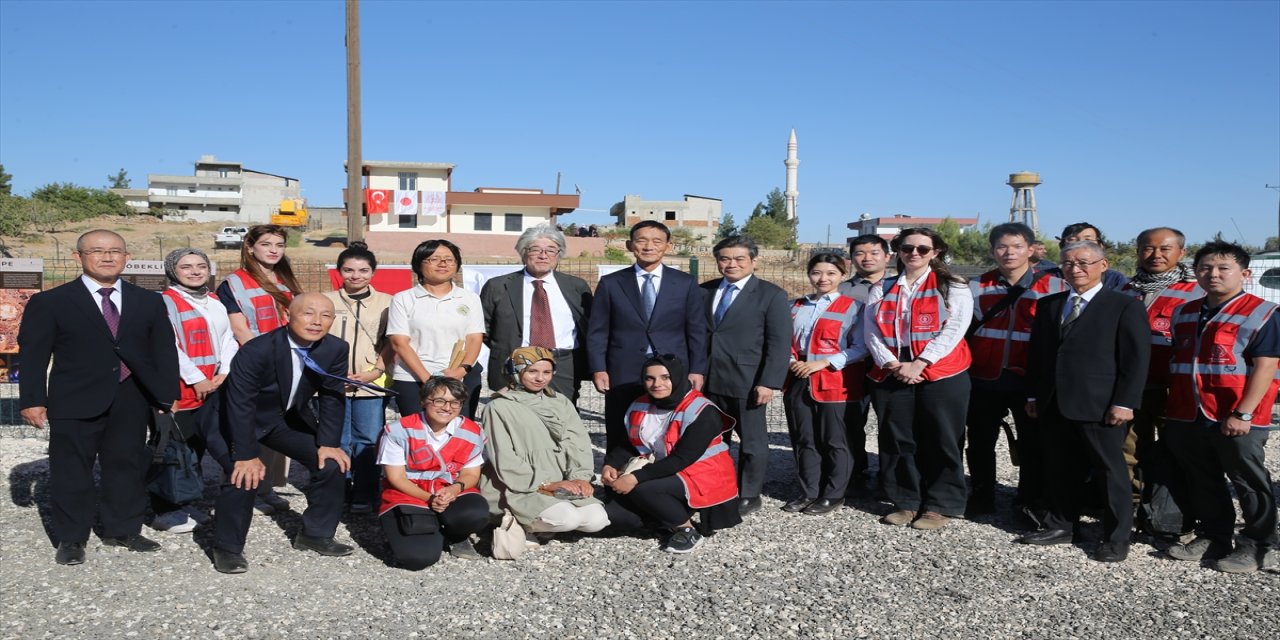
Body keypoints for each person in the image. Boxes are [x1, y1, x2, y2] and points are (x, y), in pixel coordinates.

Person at [18, 230, 179, 565]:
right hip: (74, 398)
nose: (107, 257)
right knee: (71, 470)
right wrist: (33, 399)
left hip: (130, 396)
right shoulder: (51, 302)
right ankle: (72, 538)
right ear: (78, 257)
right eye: (97, 251)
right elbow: (33, 354)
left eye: (115, 251)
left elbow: (162, 351)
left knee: (126, 466)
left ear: (126, 257)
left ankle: (124, 529)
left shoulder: (148, 300)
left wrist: (167, 394)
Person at [200, 293, 353, 574]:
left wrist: (329, 443)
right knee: (243, 473)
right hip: (232, 419)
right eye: (308, 313)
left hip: (281, 417)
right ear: (288, 316)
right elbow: (240, 403)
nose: (317, 321)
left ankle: (315, 535)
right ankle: (228, 548)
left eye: (326, 315)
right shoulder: (258, 349)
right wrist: (246, 454)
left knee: (331, 463)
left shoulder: (335, 349)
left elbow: (332, 397)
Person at [1020, 241, 1149, 563]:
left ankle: (1116, 536)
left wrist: (1125, 402)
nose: (1075, 269)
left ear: (1103, 266)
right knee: (1059, 467)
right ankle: (1061, 524)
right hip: (1055, 402)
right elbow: (1038, 356)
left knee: (1110, 471)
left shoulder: (1124, 305)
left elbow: (1135, 360)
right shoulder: (1051, 305)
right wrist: (1034, 394)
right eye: (1068, 264)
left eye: (1083, 263)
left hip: (1101, 405)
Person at [1163, 242, 1279, 573]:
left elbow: (1266, 367)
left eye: (1223, 268)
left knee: (1248, 480)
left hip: (1237, 415)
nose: (1213, 274)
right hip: (1189, 412)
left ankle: (1258, 544)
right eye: (1205, 268)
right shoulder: (1184, 312)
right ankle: (1214, 536)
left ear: (1243, 274)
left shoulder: (1262, 313)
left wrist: (1243, 413)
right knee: (1202, 477)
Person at [866, 228, 973, 530]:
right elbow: (870, 329)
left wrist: (921, 363)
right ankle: (906, 500)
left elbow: (954, 329)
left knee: (942, 437)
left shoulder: (953, 286)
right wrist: (890, 362)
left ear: (935, 252)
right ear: (898, 251)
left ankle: (940, 504)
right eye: (907, 247)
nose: (914, 253)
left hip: (942, 370)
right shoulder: (882, 287)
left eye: (923, 249)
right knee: (899, 438)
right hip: (895, 368)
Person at [963, 223, 1068, 520]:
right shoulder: (976, 286)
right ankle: (982, 495)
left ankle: (1028, 500)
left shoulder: (1056, 286)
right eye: (1002, 247)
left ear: (1031, 249)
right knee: (980, 440)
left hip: (1029, 379)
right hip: (984, 376)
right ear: (992, 250)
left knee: (1032, 443)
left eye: (1017, 246)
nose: (1009, 253)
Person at [586, 221, 709, 453]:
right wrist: (598, 368)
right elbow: (598, 330)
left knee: (671, 426)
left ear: (668, 246)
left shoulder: (685, 283)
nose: (648, 246)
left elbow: (696, 331)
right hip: (624, 369)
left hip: (672, 369)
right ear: (630, 245)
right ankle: (618, 479)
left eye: (656, 241)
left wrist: (697, 369)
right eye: (641, 240)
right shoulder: (612, 283)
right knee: (621, 425)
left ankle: (663, 481)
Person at [601, 355, 741, 553]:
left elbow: (682, 459)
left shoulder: (702, 410)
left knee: (643, 488)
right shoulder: (640, 404)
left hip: (703, 473)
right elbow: (627, 444)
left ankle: (686, 529)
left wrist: (635, 478)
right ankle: (662, 517)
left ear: (677, 377)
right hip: (665, 469)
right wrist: (610, 465)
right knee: (618, 516)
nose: (657, 384)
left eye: (665, 377)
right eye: (649, 378)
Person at [699, 235, 791, 516]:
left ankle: (749, 493)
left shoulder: (771, 294)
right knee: (712, 440)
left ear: (753, 261)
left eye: (739, 259)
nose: (731, 264)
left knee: (752, 442)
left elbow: (779, 342)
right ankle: (717, 486)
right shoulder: (704, 291)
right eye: (725, 258)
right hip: (706, 379)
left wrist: (769, 382)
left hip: (747, 380)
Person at [216, 224, 303, 515]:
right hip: (256, 364)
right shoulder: (234, 283)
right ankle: (242, 489)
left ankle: (265, 488)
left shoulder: (284, 278)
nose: (274, 250)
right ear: (250, 247)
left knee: (276, 428)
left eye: (279, 244)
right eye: (266, 244)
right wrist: (266, 361)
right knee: (247, 430)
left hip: (288, 362)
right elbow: (239, 328)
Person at [152, 248, 240, 533]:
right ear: (172, 271)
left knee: (196, 448)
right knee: (173, 449)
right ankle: (163, 509)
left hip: (213, 384)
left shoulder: (213, 300)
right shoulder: (166, 302)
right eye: (186, 266)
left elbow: (228, 337)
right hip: (183, 388)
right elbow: (168, 346)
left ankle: (184, 500)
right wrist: (196, 378)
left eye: (201, 265)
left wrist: (225, 370)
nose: (195, 271)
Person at [479, 347, 609, 539]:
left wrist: (580, 476)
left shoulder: (560, 401)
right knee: (568, 519)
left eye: (547, 372)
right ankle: (524, 524)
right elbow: (504, 457)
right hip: (521, 483)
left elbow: (577, 442)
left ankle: (544, 522)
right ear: (516, 371)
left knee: (597, 519)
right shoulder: (498, 407)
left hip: (563, 479)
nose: (540, 378)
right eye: (532, 371)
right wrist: (546, 483)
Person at [1120, 227, 1201, 504]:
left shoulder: (1197, 292)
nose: (1155, 255)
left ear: (1182, 252)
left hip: (1174, 387)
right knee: (1128, 448)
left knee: (1177, 448)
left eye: (1165, 248)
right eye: (1147, 248)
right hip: (1133, 386)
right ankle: (1134, 503)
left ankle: (1175, 509)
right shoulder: (1126, 289)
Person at [783, 252, 867, 516]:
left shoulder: (855, 307)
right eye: (817, 272)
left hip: (835, 379)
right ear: (809, 274)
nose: (823, 278)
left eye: (831, 273)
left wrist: (823, 363)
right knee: (804, 438)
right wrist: (791, 361)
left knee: (835, 440)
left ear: (842, 275)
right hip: (798, 376)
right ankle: (808, 490)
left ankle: (834, 493)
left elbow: (861, 347)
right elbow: (782, 341)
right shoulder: (794, 306)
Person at [378, 376, 489, 569]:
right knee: (418, 558)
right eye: (439, 400)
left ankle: (455, 534)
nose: (447, 407)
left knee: (475, 513)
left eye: (455, 402)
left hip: (448, 490)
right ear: (423, 401)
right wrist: (430, 499)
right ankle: (423, 528)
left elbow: (471, 474)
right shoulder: (399, 431)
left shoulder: (472, 431)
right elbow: (396, 477)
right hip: (409, 492)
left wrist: (455, 489)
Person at [480, 226, 593, 403]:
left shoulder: (576, 286)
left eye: (551, 250)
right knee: (515, 419)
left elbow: (588, 325)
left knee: (561, 419)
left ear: (558, 255)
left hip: (563, 365)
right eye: (535, 249)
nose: (543, 255)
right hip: (515, 363)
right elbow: (483, 329)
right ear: (524, 253)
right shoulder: (498, 286)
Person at [322, 241, 393, 514]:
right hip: (332, 381)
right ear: (339, 271)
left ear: (373, 272)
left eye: (363, 270)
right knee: (337, 439)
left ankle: (365, 492)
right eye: (349, 270)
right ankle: (338, 489)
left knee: (367, 438)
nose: (356, 276)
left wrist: (375, 371)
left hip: (370, 382)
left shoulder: (387, 302)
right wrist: (331, 374)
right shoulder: (326, 299)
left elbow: (391, 341)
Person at [386, 239, 484, 418]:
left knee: (459, 434)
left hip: (458, 377)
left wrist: (461, 371)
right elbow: (399, 343)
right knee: (418, 435)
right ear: (419, 264)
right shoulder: (403, 299)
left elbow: (474, 339)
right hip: (413, 378)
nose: (443, 263)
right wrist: (428, 380)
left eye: (449, 259)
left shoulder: (470, 299)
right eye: (434, 259)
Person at [838, 234, 892, 491]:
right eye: (860, 253)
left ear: (887, 256)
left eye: (874, 253)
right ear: (851, 259)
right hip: (852, 367)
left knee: (891, 424)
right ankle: (854, 474)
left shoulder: (898, 288)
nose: (867, 258)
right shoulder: (841, 290)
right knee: (851, 423)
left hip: (890, 368)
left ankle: (890, 478)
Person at [1044, 222, 1129, 290]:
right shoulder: (1046, 278)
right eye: (1072, 240)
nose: (1081, 244)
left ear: (1100, 246)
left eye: (1088, 240)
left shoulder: (1114, 279)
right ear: (1062, 246)